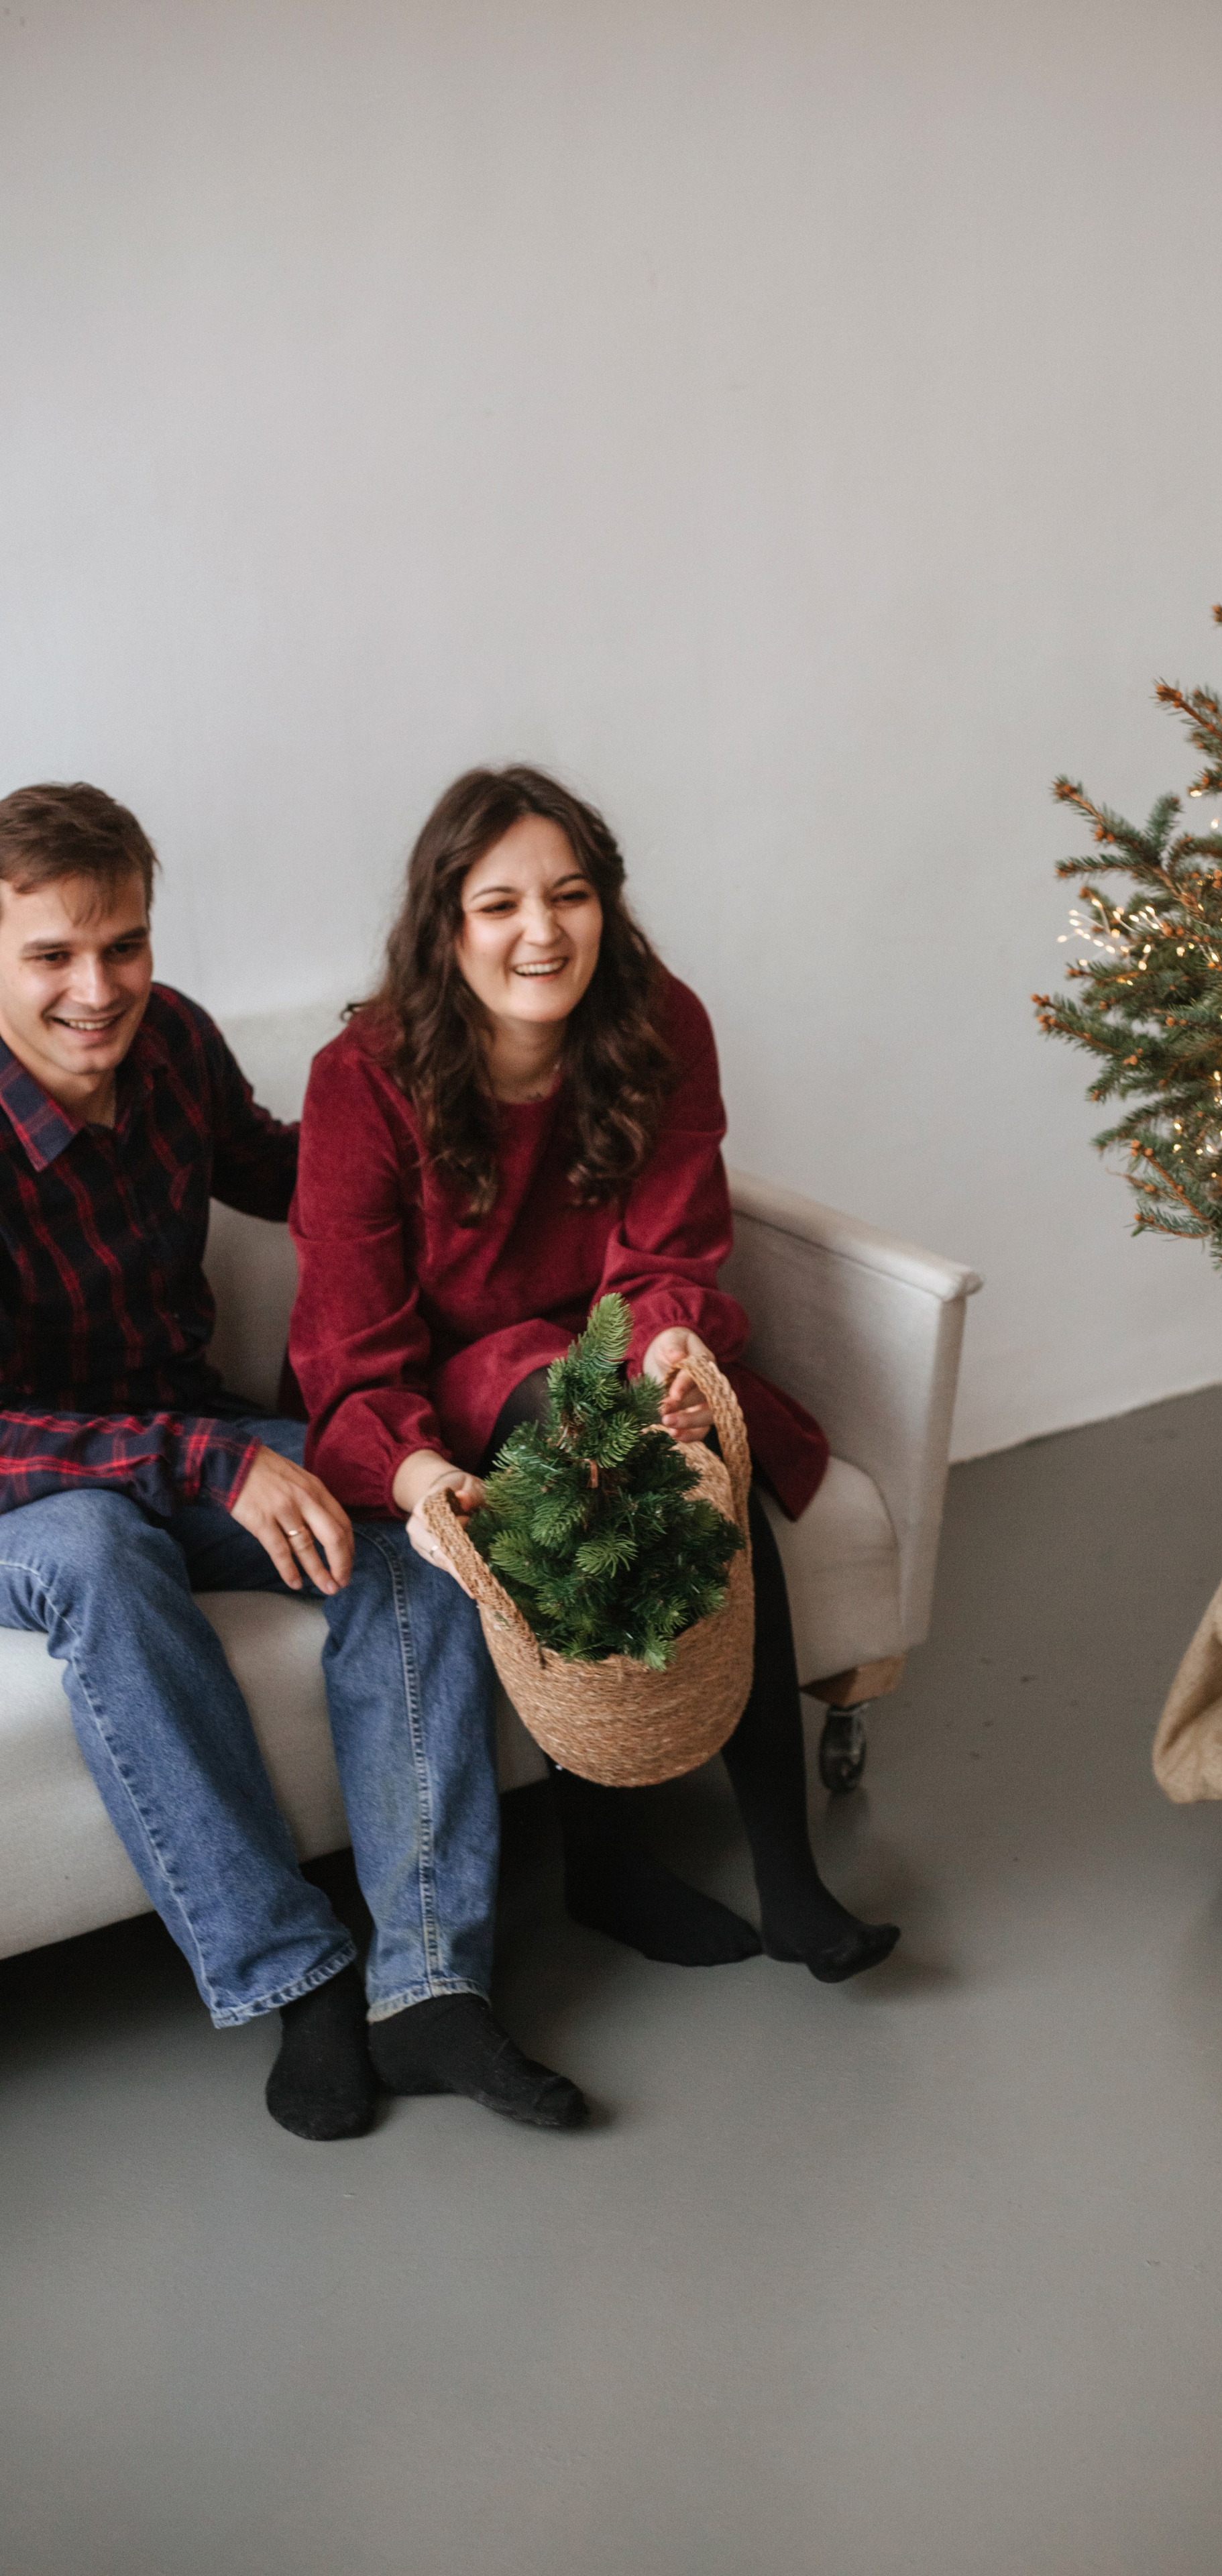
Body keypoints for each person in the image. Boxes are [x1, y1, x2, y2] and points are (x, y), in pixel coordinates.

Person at [0, 782, 586, 2140]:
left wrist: (444, 1122)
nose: (100, 988)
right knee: (99, 1554)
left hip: (182, 1435)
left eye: (126, 945)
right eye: (52, 957)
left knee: (401, 1503)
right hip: (33, 1490)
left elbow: (289, 1170)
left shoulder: (175, 1043)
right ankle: (292, 1974)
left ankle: (430, 1984)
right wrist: (208, 1460)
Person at [289, 765, 899, 1982]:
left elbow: (673, 1248)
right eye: (502, 904)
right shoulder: (361, 1080)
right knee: (573, 1432)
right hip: (472, 1379)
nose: (542, 931)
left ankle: (788, 1878)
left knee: (696, 1448)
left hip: (616, 1347)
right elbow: (352, 1345)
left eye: (570, 895)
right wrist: (415, 1476)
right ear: (446, 925)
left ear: (606, 907)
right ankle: (604, 1858)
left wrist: (673, 1347)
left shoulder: (662, 1022)